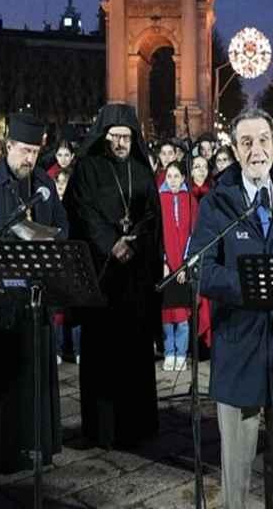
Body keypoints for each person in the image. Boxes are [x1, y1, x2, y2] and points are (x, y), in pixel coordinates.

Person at [196, 108, 273, 509]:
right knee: (237, 468)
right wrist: (249, 285)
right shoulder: (217, 204)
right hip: (238, 347)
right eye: (246, 142)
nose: (256, 150)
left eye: (263, 140)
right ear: (235, 149)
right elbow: (201, 270)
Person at [64, 103, 161, 449]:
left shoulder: (141, 169)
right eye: (114, 137)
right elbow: (81, 212)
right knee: (102, 356)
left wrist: (136, 241)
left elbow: (153, 216)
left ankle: (137, 427)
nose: (120, 143)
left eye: (126, 137)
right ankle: (102, 430)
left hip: (134, 279)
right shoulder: (88, 169)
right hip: (102, 278)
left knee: (135, 352)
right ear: (103, 137)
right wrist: (110, 243)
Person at [0, 112, 68, 476]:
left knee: (34, 381)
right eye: (23, 151)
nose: (29, 159)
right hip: (1, 303)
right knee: (2, 380)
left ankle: (36, 446)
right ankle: (2, 452)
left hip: (36, 301)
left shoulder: (44, 185)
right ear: (8, 146)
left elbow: (63, 228)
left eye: (34, 152)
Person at [159, 161, 198, 371]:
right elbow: (157, 235)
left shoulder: (189, 200)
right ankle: (169, 353)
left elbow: (193, 235)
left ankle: (181, 354)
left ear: (183, 178)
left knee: (182, 316)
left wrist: (185, 264)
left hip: (183, 264)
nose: (172, 180)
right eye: (169, 176)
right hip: (165, 264)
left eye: (176, 176)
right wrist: (164, 261)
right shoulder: (160, 199)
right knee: (166, 314)